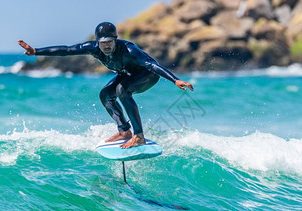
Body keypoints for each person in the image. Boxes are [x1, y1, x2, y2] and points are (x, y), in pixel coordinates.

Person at [18, 22, 194, 148]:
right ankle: (124, 131)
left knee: (122, 90)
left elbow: (151, 65)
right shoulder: (93, 48)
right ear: (98, 42)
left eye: (110, 42)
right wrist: (36, 52)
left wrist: (175, 79)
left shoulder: (130, 50)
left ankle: (139, 136)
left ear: (115, 40)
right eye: (103, 43)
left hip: (148, 75)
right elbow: (67, 50)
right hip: (127, 74)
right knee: (105, 95)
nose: (107, 46)